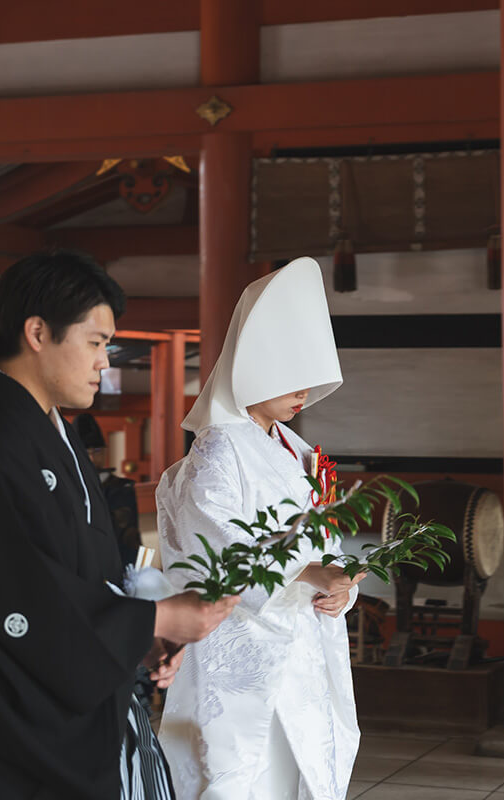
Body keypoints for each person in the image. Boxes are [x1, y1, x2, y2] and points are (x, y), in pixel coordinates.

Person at [0, 249, 238, 800]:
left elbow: (81, 578)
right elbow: (15, 595)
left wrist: (137, 638)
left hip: (52, 715)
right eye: (96, 342)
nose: (105, 363)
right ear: (38, 332)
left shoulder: (51, 435)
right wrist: (150, 619)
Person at [156, 257, 364, 800]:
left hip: (302, 640)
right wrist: (309, 572)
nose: (304, 391)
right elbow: (217, 545)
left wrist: (340, 580)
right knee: (244, 772)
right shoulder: (220, 449)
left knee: (303, 771)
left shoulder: (296, 450)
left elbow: (324, 543)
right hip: (244, 644)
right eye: (291, 376)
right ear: (254, 368)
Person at [74, 413, 142, 569]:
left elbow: (131, 537)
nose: (91, 458)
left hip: (119, 560)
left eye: (96, 451)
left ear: (104, 452)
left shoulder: (123, 488)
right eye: (85, 452)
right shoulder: (70, 485)